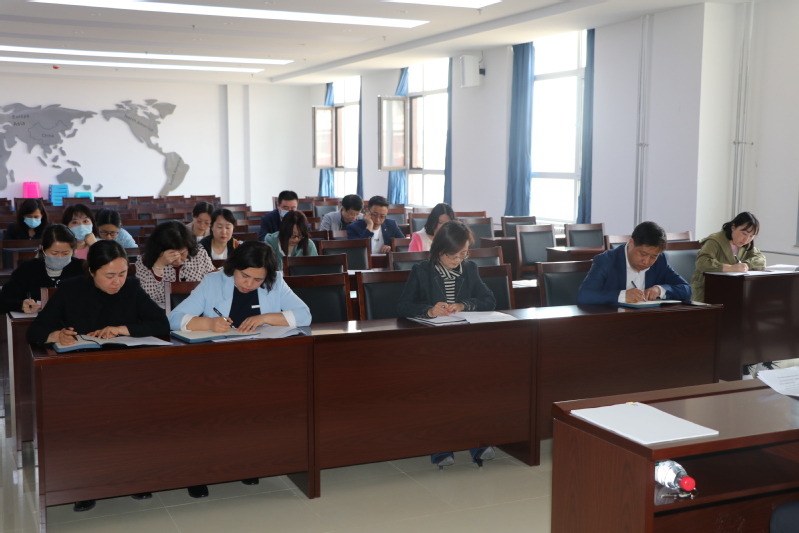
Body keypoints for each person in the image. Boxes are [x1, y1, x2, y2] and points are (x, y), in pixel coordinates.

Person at [26, 239, 170, 512]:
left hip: (125, 373)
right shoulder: (71, 289)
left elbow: (161, 323)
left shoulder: (131, 287)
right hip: (83, 375)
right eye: (109, 275)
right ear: (91, 270)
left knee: (138, 417)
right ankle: (85, 485)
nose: (117, 282)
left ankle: (134, 479)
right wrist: (56, 335)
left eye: (122, 273)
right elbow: (35, 332)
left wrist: (122, 329)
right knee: (85, 422)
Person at [168, 241, 310, 497]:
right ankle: (200, 471)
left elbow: (304, 315)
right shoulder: (213, 282)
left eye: (257, 279)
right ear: (234, 268)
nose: (250, 284)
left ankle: (247, 462)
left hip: (257, 364)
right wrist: (208, 323)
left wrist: (265, 318)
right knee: (210, 409)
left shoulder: (275, 281)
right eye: (245, 276)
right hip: (214, 363)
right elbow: (174, 319)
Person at [396, 220, 496, 468]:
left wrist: (463, 305)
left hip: (464, 344)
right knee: (442, 386)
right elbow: (403, 306)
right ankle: (441, 445)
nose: (458, 260)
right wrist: (429, 310)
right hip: (432, 346)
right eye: (453, 255)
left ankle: (478, 441)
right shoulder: (422, 271)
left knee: (475, 385)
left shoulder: (469, 269)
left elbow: (489, 300)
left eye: (463, 254)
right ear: (439, 250)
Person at [577, 221, 692, 305]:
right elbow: (584, 296)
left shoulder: (660, 260)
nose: (646, 261)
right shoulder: (606, 261)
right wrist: (623, 295)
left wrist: (659, 290)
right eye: (643, 254)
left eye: (653, 256)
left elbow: (686, 289)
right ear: (631, 243)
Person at [0, 224, 83, 314]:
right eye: (54, 253)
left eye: (65, 253)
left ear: (73, 250)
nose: (59, 257)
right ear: (42, 249)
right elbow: (4, 300)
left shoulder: (82, 268)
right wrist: (21, 305)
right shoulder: (27, 268)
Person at [136, 221, 215, 309]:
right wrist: (159, 266)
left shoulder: (200, 255)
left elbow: (213, 285)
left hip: (196, 309)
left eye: (182, 253)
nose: (178, 260)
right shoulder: (144, 261)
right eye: (172, 255)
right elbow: (146, 298)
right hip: (159, 311)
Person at [690, 211, 765, 303]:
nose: (747, 239)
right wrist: (730, 268)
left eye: (751, 236)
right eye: (744, 234)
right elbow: (702, 263)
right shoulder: (715, 240)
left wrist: (746, 265)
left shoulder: (746, 244)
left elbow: (761, 259)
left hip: (732, 290)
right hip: (706, 290)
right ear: (733, 227)